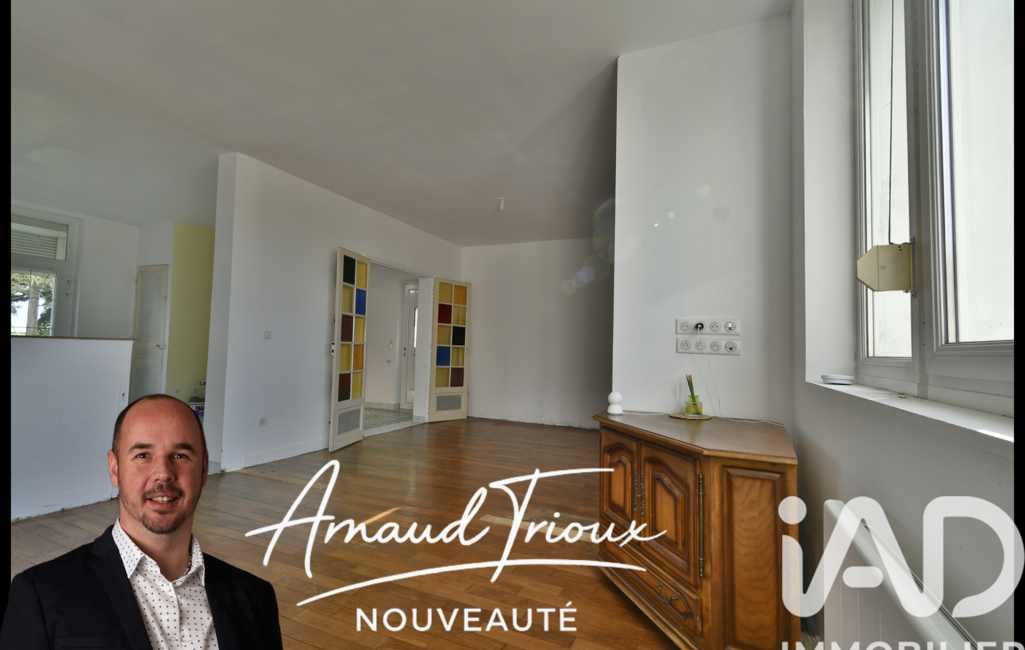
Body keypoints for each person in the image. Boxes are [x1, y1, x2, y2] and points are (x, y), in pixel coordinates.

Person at [1, 394, 283, 649]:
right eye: (143, 455)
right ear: (115, 468)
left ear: (204, 469)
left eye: (180, 455)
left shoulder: (256, 597)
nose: (163, 473)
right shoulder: (40, 594)